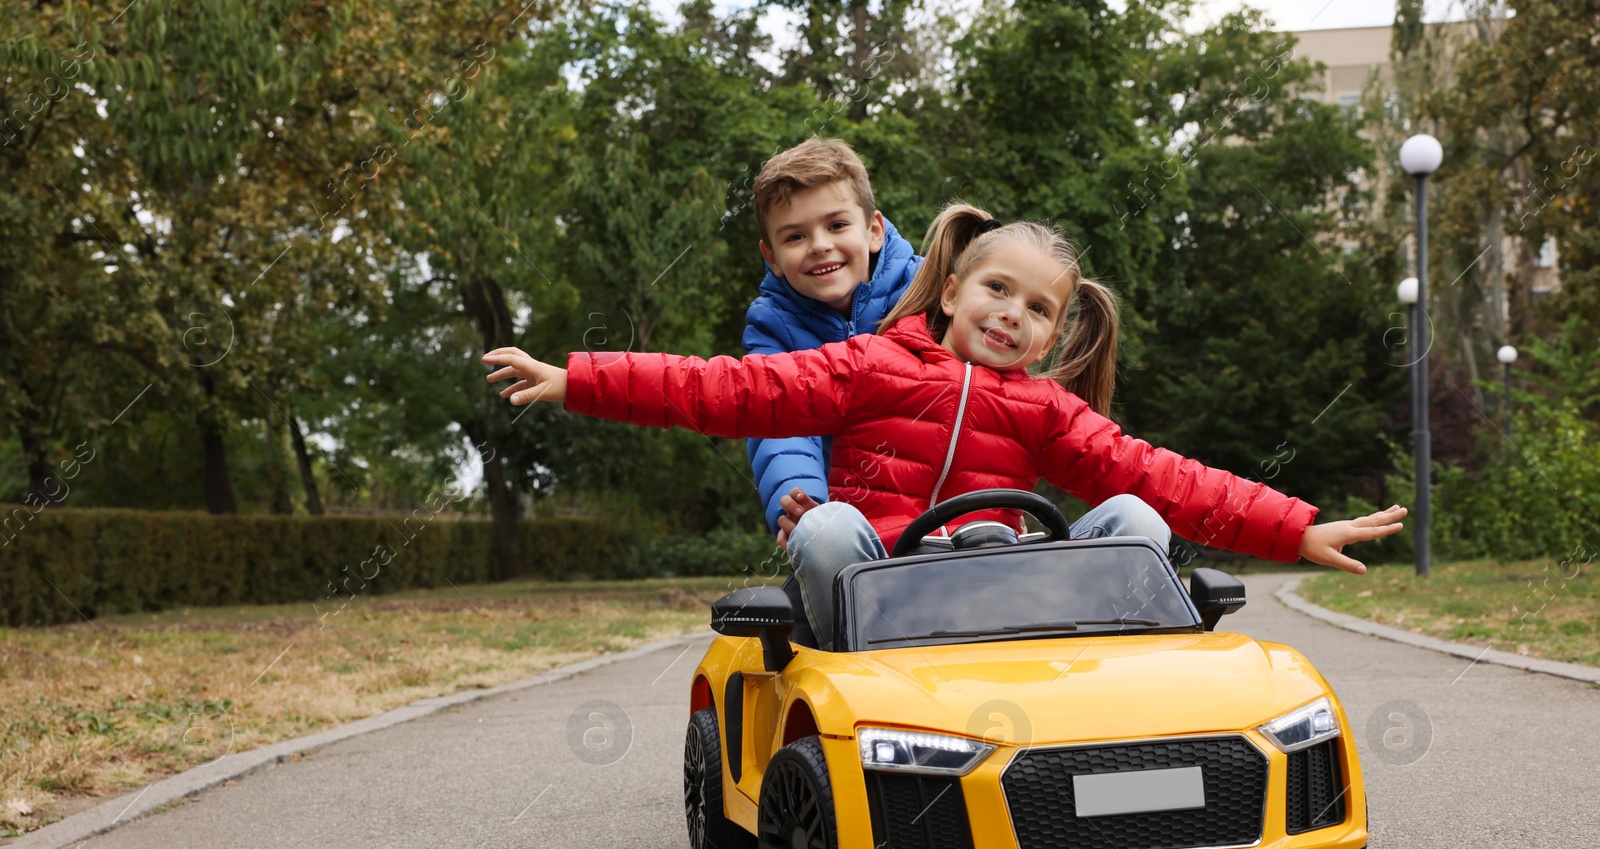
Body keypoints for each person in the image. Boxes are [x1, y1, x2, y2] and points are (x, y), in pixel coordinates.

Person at [483, 204, 1406, 649]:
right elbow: (728, 390)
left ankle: (1118, 688)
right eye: (997, 289)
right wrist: (578, 378)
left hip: (1010, 598)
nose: (1012, 316)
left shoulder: (1048, 409)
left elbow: (1165, 474)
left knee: (1136, 515)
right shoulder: (870, 363)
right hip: (885, 601)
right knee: (830, 522)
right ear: (955, 288)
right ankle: (846, 654)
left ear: (1056, 332)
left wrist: (1294, 525)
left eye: (1038, 309)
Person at [741, 138, 921, 548]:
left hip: (940, 502)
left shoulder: (929, 295)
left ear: (873, 231)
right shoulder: (773, 326)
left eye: (837, 225)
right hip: (851, 523)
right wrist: (807, 507)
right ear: (771, 258)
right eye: (795, 237)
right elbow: (780, 422)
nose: (820, 245)